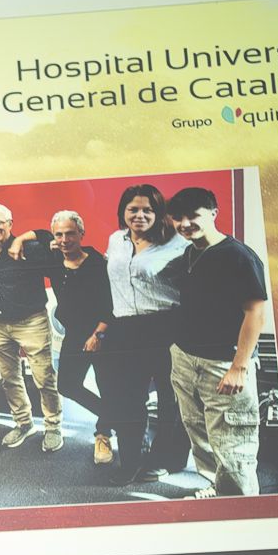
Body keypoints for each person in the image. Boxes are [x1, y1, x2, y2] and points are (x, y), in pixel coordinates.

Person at [164, 187, 270, 498]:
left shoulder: (239, 256)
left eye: (193, 216)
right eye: (178, 218)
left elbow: (255, 313)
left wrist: (239, 367)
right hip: (186, 358)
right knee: (201, 432)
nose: (185, 224)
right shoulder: (189, 252)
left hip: (223, 362)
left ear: (213, 213)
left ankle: (242, 508)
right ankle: (217, 489)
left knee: (234, 441)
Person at [99, 183, 191, 482]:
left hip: (165, 324)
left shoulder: (177, 242)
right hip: (124, 328)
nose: (140, 215)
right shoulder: (116, 240)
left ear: (158, 213)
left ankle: (168, 458)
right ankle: (131, 461)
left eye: (147, 210)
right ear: (123, 212)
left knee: (170, 398)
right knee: (127, 398)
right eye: (133, 209)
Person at [9, 211, 116, 464]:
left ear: (82, 233)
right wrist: (18, 240)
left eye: (70, 233)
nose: (65, 239)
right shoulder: (54, 259)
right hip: (75, 334)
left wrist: (98, 334)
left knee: (107, 386)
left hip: (104, 333)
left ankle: (104, 434)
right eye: (60, 234)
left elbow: (110, 304)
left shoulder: (98, 263)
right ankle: (116, 416)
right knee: (67, 385)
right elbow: (42, 234)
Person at [0, 201, 63, 452]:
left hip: (31, 321)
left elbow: (48, 235)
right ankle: (23, 423)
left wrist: (21, 240)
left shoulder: (29, 248)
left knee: (44, 379)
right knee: (9, 379)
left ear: (10, 223)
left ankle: (53, 426)